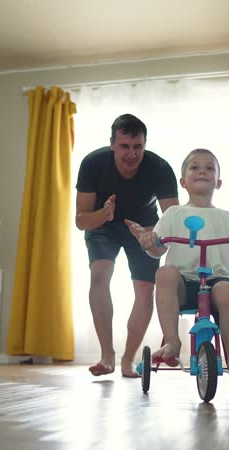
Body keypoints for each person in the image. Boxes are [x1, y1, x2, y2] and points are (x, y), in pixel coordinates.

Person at [126, 148, 229, 388]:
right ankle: (172, 341)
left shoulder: (227, 218)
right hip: (183, 284)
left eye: (209, 168)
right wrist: (149, 242)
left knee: (226, 292)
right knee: (164, 272)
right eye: (195, 167)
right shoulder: (173, 214)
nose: (202, 171)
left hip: (216, 282)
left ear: (218, 182)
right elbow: (158, 249)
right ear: (183, 181)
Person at [75, 114, 179, 377]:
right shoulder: (92, 164)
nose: (132, 154)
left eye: (138, 147)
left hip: (144, 227)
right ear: (112, 144)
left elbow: (173, 221)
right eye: (124, 147)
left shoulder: (160, 168)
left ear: (144, 145)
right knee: (99, 273)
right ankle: (106, 356)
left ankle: (127, 360)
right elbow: (81, 220)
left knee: (145, 290)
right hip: (102, 223)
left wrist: (150, 234)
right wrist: (104, 215)